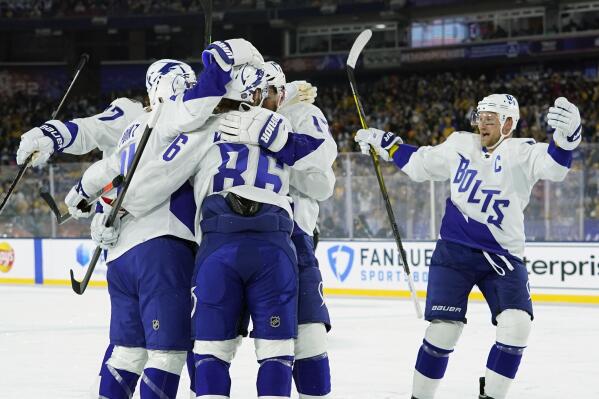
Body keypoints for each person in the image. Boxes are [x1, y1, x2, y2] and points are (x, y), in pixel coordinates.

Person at [70, 39, 263, 398]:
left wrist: (85, 201)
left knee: (128, 353)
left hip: (121, 258)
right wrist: (227, 68)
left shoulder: (135, 128)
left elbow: (108, 173)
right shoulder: (179, 119)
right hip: (163, 248)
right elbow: (166, 167)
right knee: (169, 353)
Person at [354, 94, 581, 399]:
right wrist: (386, 143)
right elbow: (421, 164)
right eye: (481, 116)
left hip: (503, 257)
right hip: (454, 253)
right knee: (443, 331)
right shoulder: (459, 143)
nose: (483, 122)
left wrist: (567, 138)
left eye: (492, 118)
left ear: (509, 124)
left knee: (517, 325)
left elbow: (555, 167)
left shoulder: (522, 151)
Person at [257, 61, 338, 398]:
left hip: (293, 233)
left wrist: (279, 165)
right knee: (216, 342)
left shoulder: (301, 112)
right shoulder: (232, 114)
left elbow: (322, 180)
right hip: (233, 236)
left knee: (305, 331)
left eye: (268, 90)